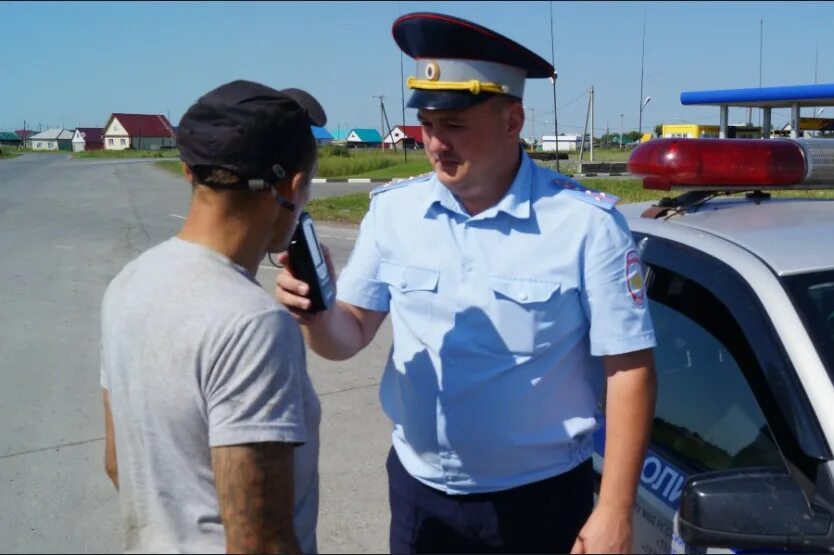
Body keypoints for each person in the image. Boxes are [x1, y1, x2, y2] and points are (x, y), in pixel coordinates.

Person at [276, 12, 657, 555]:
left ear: (512, 120)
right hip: (418, 493)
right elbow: (351, 333)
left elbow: (629, 369)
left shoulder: (585, 225)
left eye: (454, 126)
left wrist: (615, 511)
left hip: (540, 502)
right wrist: (316, 315)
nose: (435, 143)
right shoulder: (394, 212)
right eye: (427, 124)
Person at [100, 79, 326, 554]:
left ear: (188, 172)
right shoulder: (254, 325)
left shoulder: (128, 283)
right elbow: (258, 542)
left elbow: (117, 462)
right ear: (293, 187)